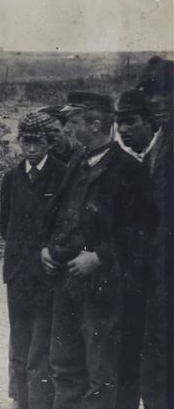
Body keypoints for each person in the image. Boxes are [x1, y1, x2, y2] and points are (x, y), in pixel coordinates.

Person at [41, 91, 156, 409]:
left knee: (101, 374)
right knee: (64, 369)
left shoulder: (129, 170)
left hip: (103, 288)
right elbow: (57, 212)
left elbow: (141, 232)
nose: (67, 129)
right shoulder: (76, 161)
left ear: (94, 124)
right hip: (66, 282)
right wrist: (46, 248)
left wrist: (99, 256)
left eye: (73, 121)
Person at [0, 112, 66, 409]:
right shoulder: (11, 178)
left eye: (37, 142)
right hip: (17, 272)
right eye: (25, 141)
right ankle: (21, 400)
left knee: (42, 343)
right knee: (20, 340)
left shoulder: (63, 174)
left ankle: (40, 403)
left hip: (47, 273)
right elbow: (4, 224)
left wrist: (49, 250)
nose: (30, 148)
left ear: (49, 143)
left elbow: (65, 223)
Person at [114, 89, 172, 409]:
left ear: (150, 123)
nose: (124, 130)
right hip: (141, 281)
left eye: (131, 122)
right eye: (119, 123)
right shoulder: (145, 158)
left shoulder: (164, 156)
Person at [135, 57, 174, 409]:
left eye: (167, 92)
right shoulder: (159, 142)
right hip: (157, 270)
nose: (158, 101)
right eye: (151, 94)